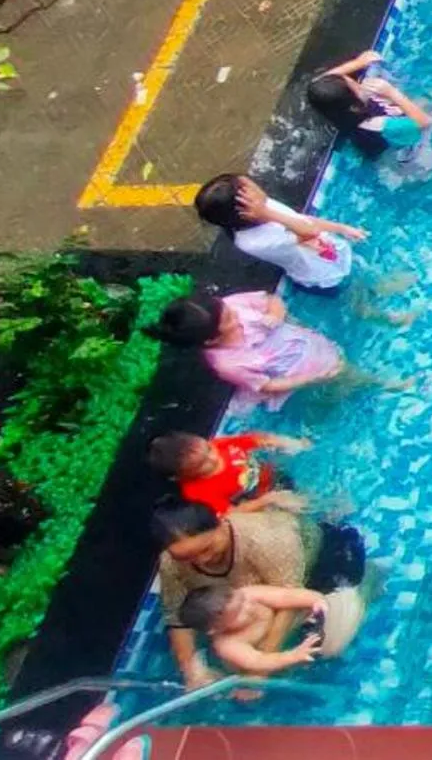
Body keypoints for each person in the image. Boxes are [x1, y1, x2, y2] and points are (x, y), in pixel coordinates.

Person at [152, 501, 369, 692]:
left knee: (337, 632)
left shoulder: (266, 540)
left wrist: (260, 672)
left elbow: (289, 598)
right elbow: (176, 617)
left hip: (319, 558)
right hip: (248, 593)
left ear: (220, 523)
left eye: (207, 547)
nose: (202, 560)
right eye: (188, 557)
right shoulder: (172, 563)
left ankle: (372, 579)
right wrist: (192, 669)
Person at [149, 290, 361, 409]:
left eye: (229, 310)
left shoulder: (231, 304)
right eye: (229, 320)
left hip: (303, 341)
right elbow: (267, 385)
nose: (235, 315)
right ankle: (376, 384)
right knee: (341, 382)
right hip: (297, 370)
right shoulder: (227, 363)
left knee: (343, 368)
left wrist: (275, 316)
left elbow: (272, 300)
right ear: (212, 340)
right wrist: (310, 379)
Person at [193, 173, 363, 291]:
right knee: (352, 292)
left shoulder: (260, 206)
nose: (253, 184)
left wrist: (341, 228)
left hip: (323, 249)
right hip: (318, 273)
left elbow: (303, 220)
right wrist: (268, 213)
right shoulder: (253, 240)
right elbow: (309, 231)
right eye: (246, 187)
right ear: (245, 211)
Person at [304, 50, 432, 179]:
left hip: (378, 133)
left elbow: (319, 81)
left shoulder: (338, 110)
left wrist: (358, 63)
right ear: (355, 107)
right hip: (404, 152)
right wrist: (392, 93)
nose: (358, 83)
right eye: (355, 86)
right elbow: (425, 123)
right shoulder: (378, 124)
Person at [177, 584, 335, 677]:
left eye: (242, 601)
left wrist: (315, 600)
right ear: (214, 629)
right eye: (239, 614)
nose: (248, 608)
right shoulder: (227, 644)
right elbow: (257, 661)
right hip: (260, 662)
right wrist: (293, 656)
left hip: (279, 638)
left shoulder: (248, 595)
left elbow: (285, 596)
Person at [148, 430, 312, 516]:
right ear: (181, 477)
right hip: (259, 497)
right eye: (201, 464)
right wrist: (266, 501)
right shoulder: (197, 493)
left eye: (209, 448)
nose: (213, 458)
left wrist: (289, 443)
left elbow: (256, 440)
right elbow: (231, 514)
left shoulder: (219, 445)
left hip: (272, 474)